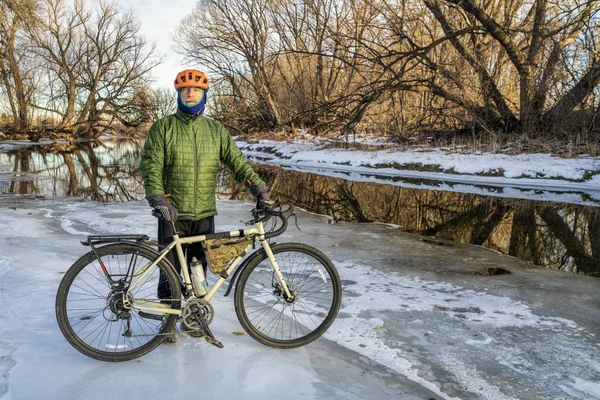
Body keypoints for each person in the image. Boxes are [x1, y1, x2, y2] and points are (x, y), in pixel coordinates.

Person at [139, 69, 270, 342]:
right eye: (185, 89)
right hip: (173, 213)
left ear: (204, 94)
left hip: (204, 213)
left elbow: (237, 162)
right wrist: (158, 198)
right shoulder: (163, 127)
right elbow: (151, 166)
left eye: (196, 90)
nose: (190, 93)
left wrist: (256, 185)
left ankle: (194, 318)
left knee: (199, 267)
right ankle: (167, 321)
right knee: (171, 272)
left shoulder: (215, 131)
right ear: (178, 93)